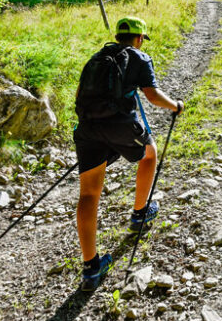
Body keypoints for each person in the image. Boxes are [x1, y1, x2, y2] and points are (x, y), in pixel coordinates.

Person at [73, 15, 184, 291]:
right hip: (120, 125)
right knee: (149, 154)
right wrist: (176, 106)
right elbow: (153, 96)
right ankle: (140, 212)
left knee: (88, 193)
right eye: (142, 39)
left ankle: (91, 268)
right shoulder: (139, 57)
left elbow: (80, 94)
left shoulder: (97, 57)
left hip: (87, 128)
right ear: (138, 38)